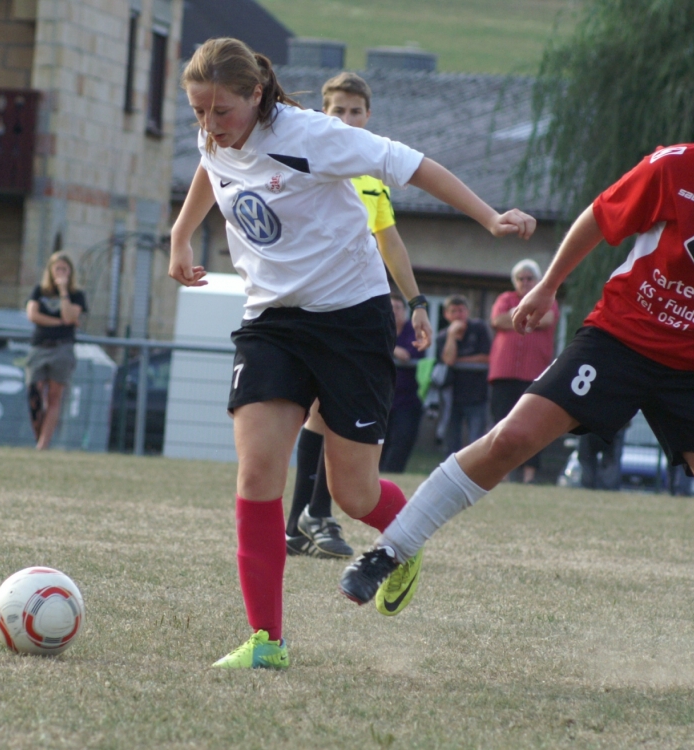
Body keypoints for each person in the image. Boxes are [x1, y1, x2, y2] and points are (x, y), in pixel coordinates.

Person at [341, 73, 694, 704]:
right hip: (622, 340)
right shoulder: (674, 167)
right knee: (511, 438)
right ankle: (390, 551)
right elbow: (598, 218)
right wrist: (548, 284)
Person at [169, 38, 535, 669]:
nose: (208, 126)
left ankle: (404, 540)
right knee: (258, 473)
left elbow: (411, 164)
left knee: (354, 493)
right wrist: (180, 235)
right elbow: (212, 168)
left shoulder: (315, 135)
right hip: (271, 324)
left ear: (256, 96)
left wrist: (488, 218)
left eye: (221, 111)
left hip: (351, 320)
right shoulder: (216, 136)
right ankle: (266, 643)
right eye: (199, 112)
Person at [284, 72, 432, 559]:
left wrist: (416, 303)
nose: (346, 120)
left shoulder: (371, 176)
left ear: (368, 117)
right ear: (320, 115)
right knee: (321, 414)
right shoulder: (306, 166)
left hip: (354, 308)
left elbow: (389, 241)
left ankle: (304, 519)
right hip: (311, 307)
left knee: (325, 415)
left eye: (354, 112)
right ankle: (312, 517)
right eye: (337, 111)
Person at [488, 259, 558, 483]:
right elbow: (497, 319)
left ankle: (529, 476)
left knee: (533, 427)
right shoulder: (505, 298)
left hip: (534, 374)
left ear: (537, 280)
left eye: (529, 278)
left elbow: (546, 319)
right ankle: (504, 474)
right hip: (504, 373)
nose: (525, 282)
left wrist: (515, 317)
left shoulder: (547, 298)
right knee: (502, 422)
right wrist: (529, 319)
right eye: (521, 279)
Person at [24, 252, 86, 451]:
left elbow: (70, 316)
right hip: (40, 346)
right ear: (50, 271)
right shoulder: (39, 291)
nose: (60, 273)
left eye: (64, 269)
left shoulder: (76, 295)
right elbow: (33, 315)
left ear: (70, 272)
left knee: (54, 396)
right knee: (34, 392)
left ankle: (43, 445)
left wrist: (63, 291)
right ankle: (39, 436)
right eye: (57, 269)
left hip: (63, 347)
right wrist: (59, 322)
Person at [436, 295, 492, 455]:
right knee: (452, 441)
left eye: (461, 310)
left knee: (477, 440)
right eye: (453, 311)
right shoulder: (442, 336)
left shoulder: (479, 328)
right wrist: (451, 336)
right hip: (452, 397)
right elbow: (448, 360)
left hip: (478, 396)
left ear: (467, 312)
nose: (458, 315)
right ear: (446, 315)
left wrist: (459, 359)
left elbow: (486, 358)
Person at [380, 293, 425, 472]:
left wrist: (390, 349)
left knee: (402, 440)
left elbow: (410, 355)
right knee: (380, 441)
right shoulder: (380, 329)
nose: (394, 311)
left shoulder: (413, 331)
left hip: (407, 399)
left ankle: (392, 476)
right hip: (381, 397)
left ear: (405, 312)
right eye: (390, 307)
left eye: (398, 307)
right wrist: (394, 349)